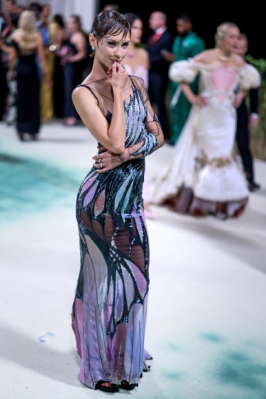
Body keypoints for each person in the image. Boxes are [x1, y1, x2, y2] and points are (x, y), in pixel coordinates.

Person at [71, 9, 164, 393]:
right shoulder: (85, 92)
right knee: (102, 285)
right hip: (100, 203)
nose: (119, 52)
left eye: (124, 44)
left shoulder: (138, 82)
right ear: (93, 41)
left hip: (131, 202)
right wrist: (121, 94)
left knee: (136, 283)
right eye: (111, 43)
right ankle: (99, 364)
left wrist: (128, 154)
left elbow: (158, 136)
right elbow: (112, 141)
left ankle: (124, 354)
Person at [149, 22, 261, 219]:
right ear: (222, 38)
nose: (235, 41)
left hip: (226, 116)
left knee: (223, 155)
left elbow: (249, 80)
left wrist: (239, 97)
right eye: (232, 37)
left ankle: (218, 202)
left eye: (237, 37)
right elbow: (180, 73)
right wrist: (192, 97)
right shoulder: (207, 57)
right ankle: (198, 198)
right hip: (207, 113)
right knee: (203, 154)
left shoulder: (238, 61)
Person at [122, 12, 156, 219]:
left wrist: (150, 115)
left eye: (140, 28)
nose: (139, 32)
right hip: (121, 111)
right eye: (135, 27)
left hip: (141, 112)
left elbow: (146, 88)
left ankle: (140, 201)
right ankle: (124, 202)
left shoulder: (143, 54)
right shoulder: (116, 54)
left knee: (140, 156)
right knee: (122, 157)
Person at [162, 14, 205, 145]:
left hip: (188, 81)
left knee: (185, 109)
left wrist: (178, 61)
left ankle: (184, 140)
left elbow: (196, 63)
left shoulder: (197, 41)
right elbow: (177, 56)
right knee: (175, 108)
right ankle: (175, 136)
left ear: (189, 25)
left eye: (182, 25)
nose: (179, 28)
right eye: (178, 25)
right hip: (175, 79)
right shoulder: (177, 40)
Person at [8, 10, 50, 141]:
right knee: (33, 101)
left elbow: (12, 57)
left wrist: (10, 71)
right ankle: (32, 130)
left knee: (21, 100)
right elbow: (42, 59)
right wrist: (46, 75)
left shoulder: (15, 36)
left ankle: (21, 129)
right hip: (32, 71)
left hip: (20, 70)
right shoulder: (37, 37)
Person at [234, 33, 261, 192]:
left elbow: (254, 94)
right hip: (223, 112)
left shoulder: (249, 69)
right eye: (236, 47)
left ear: (246, 49)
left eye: (241, 48)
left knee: (244, 145)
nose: (238, 50)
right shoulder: (223, 64)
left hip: (241, 113)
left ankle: (250, 179)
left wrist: (254, 113)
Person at [146, 11, 173, 140]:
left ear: (162, 21)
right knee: (148, 103)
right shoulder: (151, 36)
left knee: (161, 104)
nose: (150, 20)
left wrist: (149, 62)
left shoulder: (167, 36)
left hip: (160, 75)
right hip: (150, 75)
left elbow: (166, 55)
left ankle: (165, 132)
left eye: (153, 18)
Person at [60, 14, 86, 126]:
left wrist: (71, 59)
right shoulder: (70, 35)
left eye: (71, 22)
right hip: (68, 67)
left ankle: (73, 116)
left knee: (72, 90)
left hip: (74, 68)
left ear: (77, 24)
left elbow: (82, 53)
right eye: (68, 22)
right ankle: (69, 115)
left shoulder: (78, 36)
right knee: (68, 90)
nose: (68, 25)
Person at [37, 3, 58, 121]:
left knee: (47, 82)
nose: (46, 13)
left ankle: (46, 111)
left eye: (48, 10)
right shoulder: (36, 25)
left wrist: (50, 50)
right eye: (44, 10)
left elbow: (56, 43)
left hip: (49, 57)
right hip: (36, 56)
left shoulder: (53, 26)